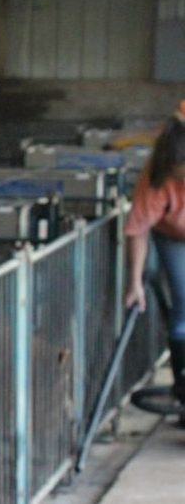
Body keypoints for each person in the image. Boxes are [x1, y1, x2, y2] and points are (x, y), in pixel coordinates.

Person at [124, 108, 185, 420]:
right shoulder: (157, 177)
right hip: (173, 235)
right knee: (184, 302)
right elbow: (138, 228)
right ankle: (182, 383)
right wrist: (135, 283)